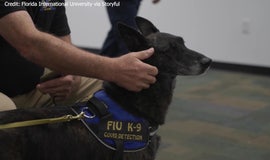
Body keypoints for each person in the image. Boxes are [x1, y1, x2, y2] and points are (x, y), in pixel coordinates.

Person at [0, 0, 158, 111]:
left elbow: (64, 43)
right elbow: (29, 44)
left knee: (109, 87)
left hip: (34, 88)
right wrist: (114, 69)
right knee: (6, 110)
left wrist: (70, 75)